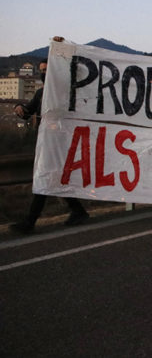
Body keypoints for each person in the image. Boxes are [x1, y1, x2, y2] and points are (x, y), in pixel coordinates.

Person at [11, 53, 90, 234]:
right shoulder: (40, 93)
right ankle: (78, 211)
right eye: (41, 71)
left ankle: (30, 222)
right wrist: (19, 109)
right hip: (45, 142)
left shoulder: (66, 92)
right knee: (53, 178)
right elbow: (28, 111)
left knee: (45, 178)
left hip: (60, 143)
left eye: (47, 70)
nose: (43, 74)